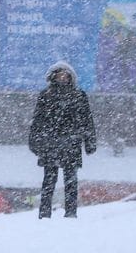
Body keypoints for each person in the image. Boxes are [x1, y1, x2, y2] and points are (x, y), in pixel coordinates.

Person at [28, 61, 97, 219]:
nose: (62, 78)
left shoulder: (79, 96)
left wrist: (90, 142)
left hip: (71, 144)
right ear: (53, 77)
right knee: (49, 182)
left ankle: (71, 213)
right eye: (59, 75)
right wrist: (35, 142)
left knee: (71, 182)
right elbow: (37, 120)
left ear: (70, 77)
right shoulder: (46, 95)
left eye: (65, 75)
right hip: (50, 144)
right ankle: (44, 214)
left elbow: (87, 120)